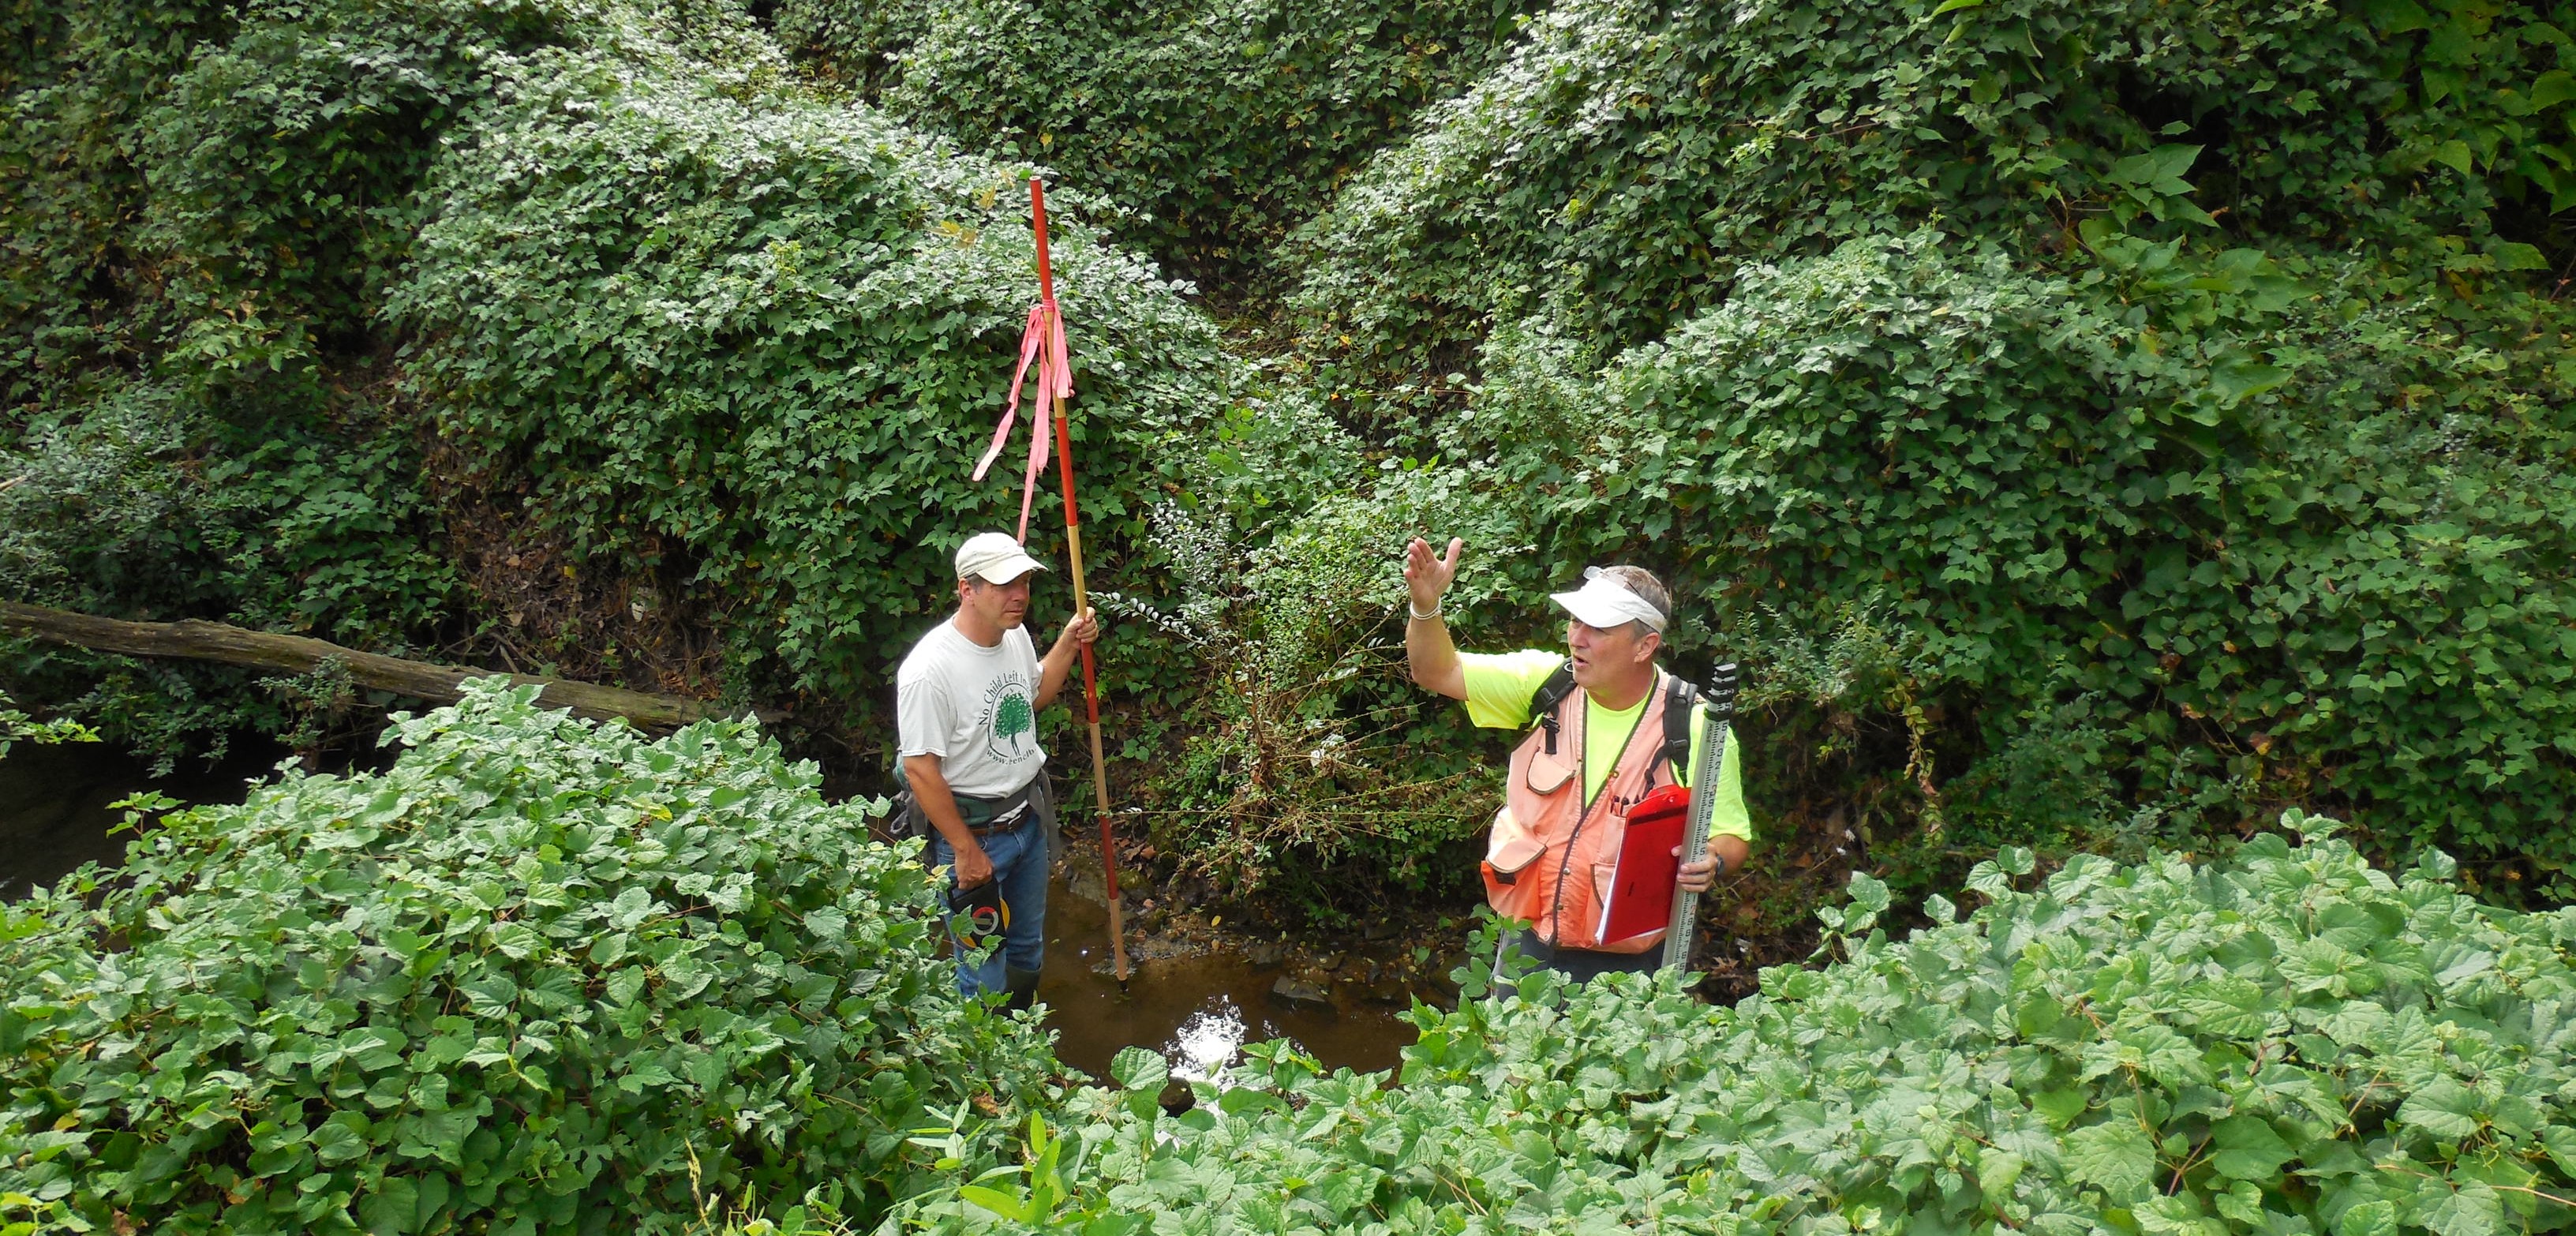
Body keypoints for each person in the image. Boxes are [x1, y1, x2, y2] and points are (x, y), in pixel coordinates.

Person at [1402, 536, 1752, 981]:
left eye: (1599, 629)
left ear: (1644, 646)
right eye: (1574, 621)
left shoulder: (1696, 726)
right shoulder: (1546, 684)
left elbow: (1731, 837)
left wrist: (1712, 860)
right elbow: (1435, 671)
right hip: (1529, 941)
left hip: (1628, 965)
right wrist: (1425, 606)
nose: (1577, 639)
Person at [897, 530, 1099, 1008]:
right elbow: (921, 767)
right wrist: (965, 852)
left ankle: (1022, 1050)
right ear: (967, 589)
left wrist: (1068, 644)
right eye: (1005, 584)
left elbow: (1030, 698)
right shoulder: (930, 669)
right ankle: (984, 1074)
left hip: (1026, 822)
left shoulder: (1015, 637)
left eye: (1025, 582)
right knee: (983, 968)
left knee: (1027, 950)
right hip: (971, 834)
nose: (1020, 596)